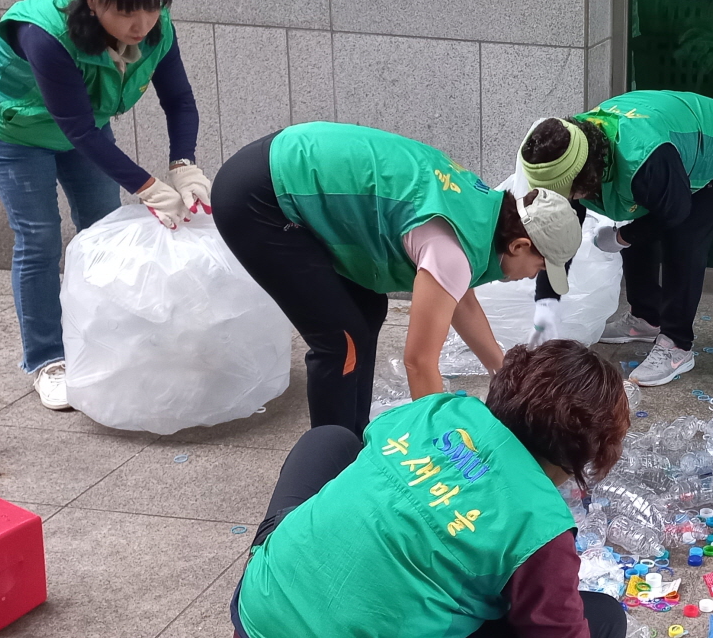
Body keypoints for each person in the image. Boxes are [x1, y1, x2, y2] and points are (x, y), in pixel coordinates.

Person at [231, 340, 687, 638]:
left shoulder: (438, 411)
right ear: (589, 454)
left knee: (328, 440)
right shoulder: (540, 528)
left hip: (258, 613)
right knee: (601, 624)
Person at [212, 123, 583, 433]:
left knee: (367, 309)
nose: (534, 276)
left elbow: (459, 298)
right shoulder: (454, 249)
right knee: (340, 340)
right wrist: (437, 447)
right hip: (259, 196)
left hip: (284, 163)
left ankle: (351, 443)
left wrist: (504, 374)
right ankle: (332, 471)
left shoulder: (485, 209)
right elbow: (420, 362)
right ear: (519, 246)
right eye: (541, 266)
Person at [0, 0, 207, 412]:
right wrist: (148, 187)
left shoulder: (156, 27)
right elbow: (75, 127)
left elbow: (178, 98)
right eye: (125, 14)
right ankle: (47, 359)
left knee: (102, 229)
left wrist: (183, 164)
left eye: (151, 9)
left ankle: (105, 340)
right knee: (39, 239)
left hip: (83, 128)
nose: (141, 26)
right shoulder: (46, 34)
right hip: (14, 129)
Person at [517, 91, 713, 387]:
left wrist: (621, 237)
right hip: (666, 141)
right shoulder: (568, 151)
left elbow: (676, 213)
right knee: (640, 216)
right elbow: (560, 233)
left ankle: (678, 344)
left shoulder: (643, 160)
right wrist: (547, 303)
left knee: (684, 237)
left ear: (588, 175)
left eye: (570, 194)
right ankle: (646, 317)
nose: (568, 201)